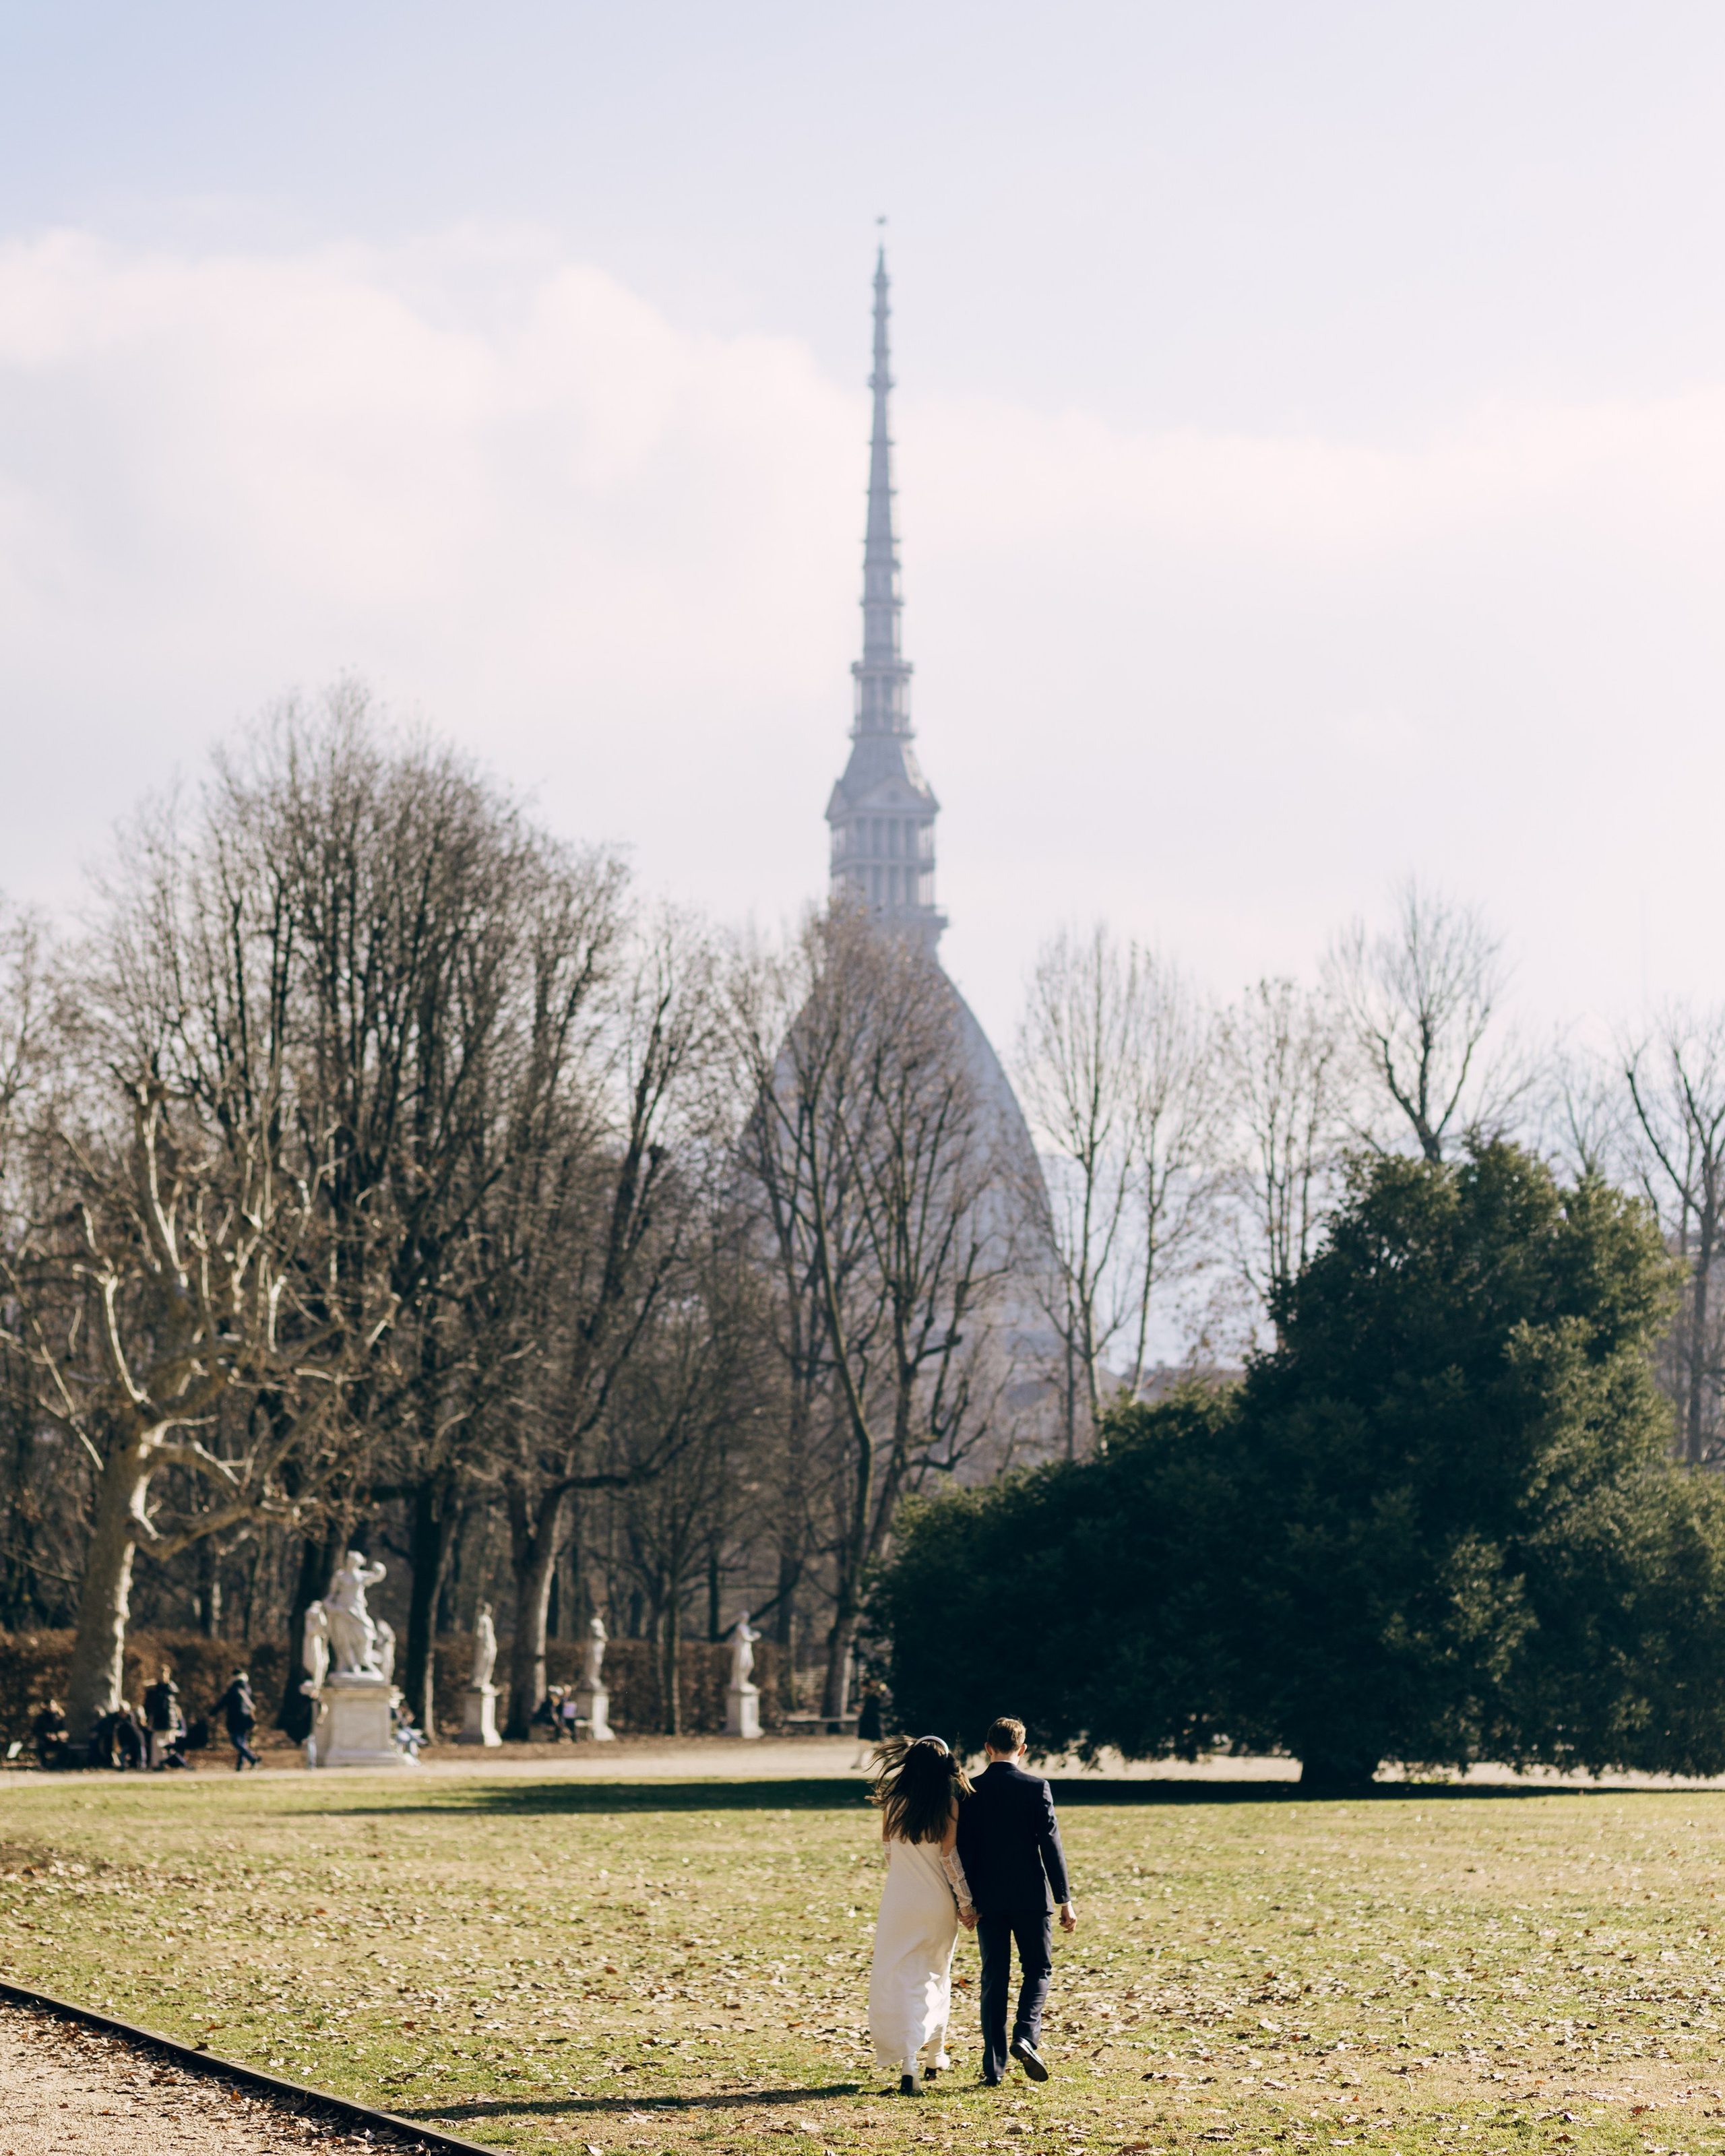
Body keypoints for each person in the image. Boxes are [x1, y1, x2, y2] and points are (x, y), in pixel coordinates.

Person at [955, 1715, 1077, 2088]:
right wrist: (1065, 1899)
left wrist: (967, 1900)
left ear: (988, 1748)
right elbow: (1050, 1847)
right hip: (1030, 1896)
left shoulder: (969, 1790)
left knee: (995, 1977)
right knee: (1038, 1969)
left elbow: (965, 1851)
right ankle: (1026, 2036)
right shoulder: (1037, 1787)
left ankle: (993, 2067)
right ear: (1022, 1749)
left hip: (988, 1898)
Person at [867, 1734, 977, 2097]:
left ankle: (910, 2063)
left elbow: (889, 1853)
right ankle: (934, 2054)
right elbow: (950, 1859)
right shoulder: (948, 1805)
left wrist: (904, 1880)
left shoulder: (893, 1804)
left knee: (899, 1977)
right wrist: (965, 1903)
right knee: (935, 1974)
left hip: (899, 1901)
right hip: (936, 1903)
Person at [216, 1670, 261, 1772]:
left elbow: (224, 1702)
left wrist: (213, 1713)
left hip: (236, 1719)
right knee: (243, 1742)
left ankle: (253, 1758)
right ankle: (240, 1766)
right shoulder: (247, 1688)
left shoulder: (234, 1688)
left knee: (236, 1742)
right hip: (246, 1719)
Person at [142, 1667, 185, 1770]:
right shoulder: (159, 1688)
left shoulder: (166, 1688)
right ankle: (160, 1763)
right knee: (162, 1744)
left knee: (161, 1744)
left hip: (166, 1721)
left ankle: (160, 1764)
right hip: (162, 1721)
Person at [852, 1682, 886, 1768]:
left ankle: (861, 1763)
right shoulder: (873, 1698)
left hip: (870, 1725)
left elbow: (870, 1712)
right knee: (869, 1746)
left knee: (873, 1745)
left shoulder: (874, 1698)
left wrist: (861, 1710)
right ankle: (860, 1763)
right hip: (872, 1725)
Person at [32, 1699, 67, 1771]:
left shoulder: (59, 1717)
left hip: (56, 1740)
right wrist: (46, 1735)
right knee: (41, 1744)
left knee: (64, 1745)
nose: (52, 1707)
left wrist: (57, 1736)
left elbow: (63, 1730)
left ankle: (59, 1765)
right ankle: (44, 1764)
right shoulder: (41, 1718)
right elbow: (36, 1731)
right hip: (45, 1740)